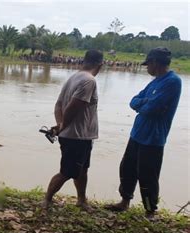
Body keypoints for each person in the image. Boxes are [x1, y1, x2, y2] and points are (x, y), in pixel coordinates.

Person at [105, 48, 182, 217]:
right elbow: (133, 101)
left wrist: (145, 103)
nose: (147, 68)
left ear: (155, 63)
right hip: (137, 134)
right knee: (127, 169)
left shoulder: (172, 82)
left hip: (153, 139)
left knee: (148, 177)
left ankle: (150, 210)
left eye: (148, 64)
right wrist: (145, 102)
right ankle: (124, 201)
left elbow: (151, 108)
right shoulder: (155, 81)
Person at [42, 50, 104, 210]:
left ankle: (81, 200)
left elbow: (58, 105)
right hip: (76, 137)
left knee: (82, 169)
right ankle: (47, 200)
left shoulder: (74, 77)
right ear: (100, 65)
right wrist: (62, 126)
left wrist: (59, 125)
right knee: (67, 172)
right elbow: (72, 108)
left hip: (80, 136)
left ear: (84, 61)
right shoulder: (89, 81)